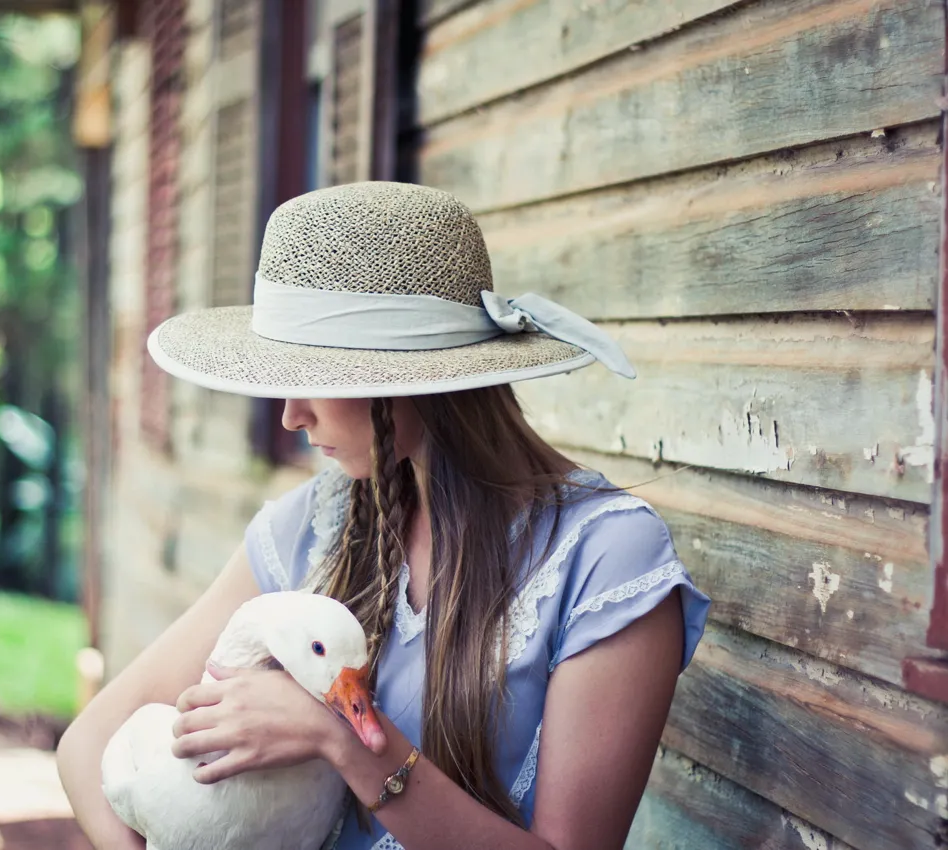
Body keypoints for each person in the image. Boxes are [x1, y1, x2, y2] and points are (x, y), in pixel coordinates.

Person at [57, 181, 711, 850]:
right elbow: (88, 745)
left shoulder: (605, 560)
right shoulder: (315, 525)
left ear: (403, 374)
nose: (291, 415)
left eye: (315, 374)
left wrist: (345, 742)